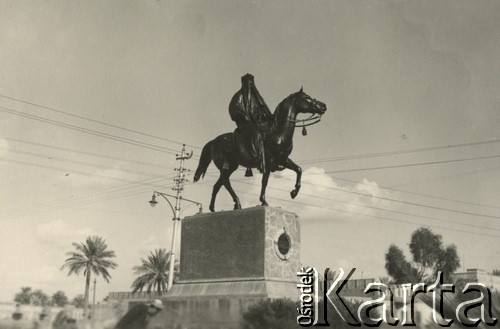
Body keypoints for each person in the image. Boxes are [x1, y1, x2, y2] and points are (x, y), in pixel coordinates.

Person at [228, 73, 273, 173]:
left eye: (251, 82)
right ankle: (258, 157)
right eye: (248, 83)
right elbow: (234, 108)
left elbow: (263, 108)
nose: (250, 85)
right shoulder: (238, 96)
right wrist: (242, 115)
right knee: (255, 132)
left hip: (257, 121)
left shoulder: (257, 97)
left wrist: (267, 116)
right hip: (245, 123)